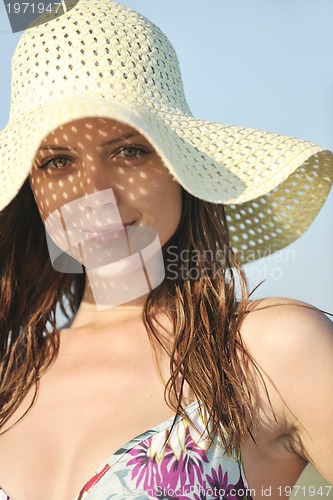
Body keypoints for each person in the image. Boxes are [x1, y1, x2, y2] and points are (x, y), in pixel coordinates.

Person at [0, 1, 332, 499]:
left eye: (129, 151)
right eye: (57, 162)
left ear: (181, 168)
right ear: (31, 190)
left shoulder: (272, 351)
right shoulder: (7, 379)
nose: (96, 193)